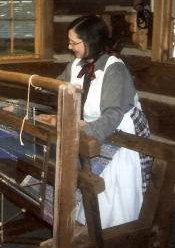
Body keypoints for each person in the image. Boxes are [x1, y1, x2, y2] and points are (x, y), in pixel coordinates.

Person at [57, 15, 152, 229]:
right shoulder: (76, 66)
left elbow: (112, 116)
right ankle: (86, 228)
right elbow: (57, 88)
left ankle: (113, 237)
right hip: (94, 129)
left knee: (112, 192)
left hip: (120, 134)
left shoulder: (114, 68)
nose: (69, 46)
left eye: (74, 42)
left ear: (91, 41)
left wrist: (80, 134)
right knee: (91, 184)